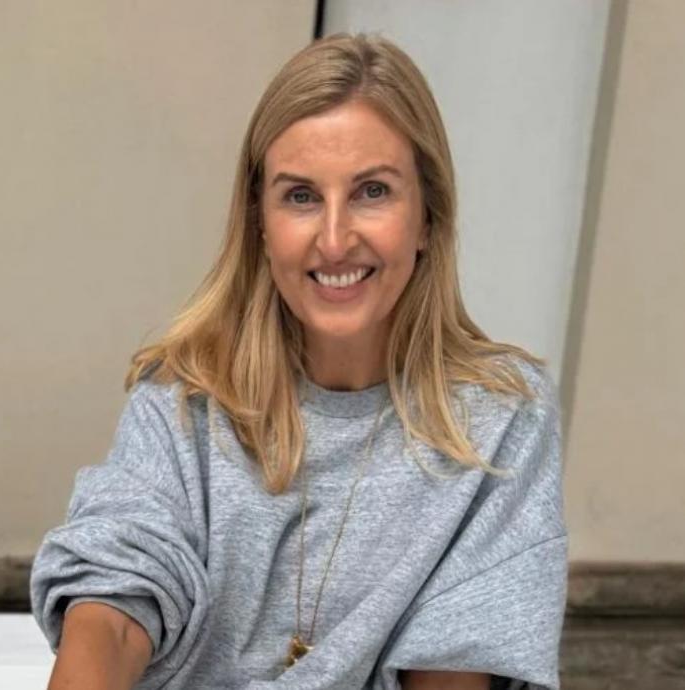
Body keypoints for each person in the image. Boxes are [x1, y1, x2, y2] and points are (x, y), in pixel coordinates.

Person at [29, 31, 568, 690]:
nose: (335, 240)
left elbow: (456, 666)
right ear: (260, 221)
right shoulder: (183, 397)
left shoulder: (500, 421)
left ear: (428, 216)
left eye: (372, 191)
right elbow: (112, 606)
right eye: (301, 197)